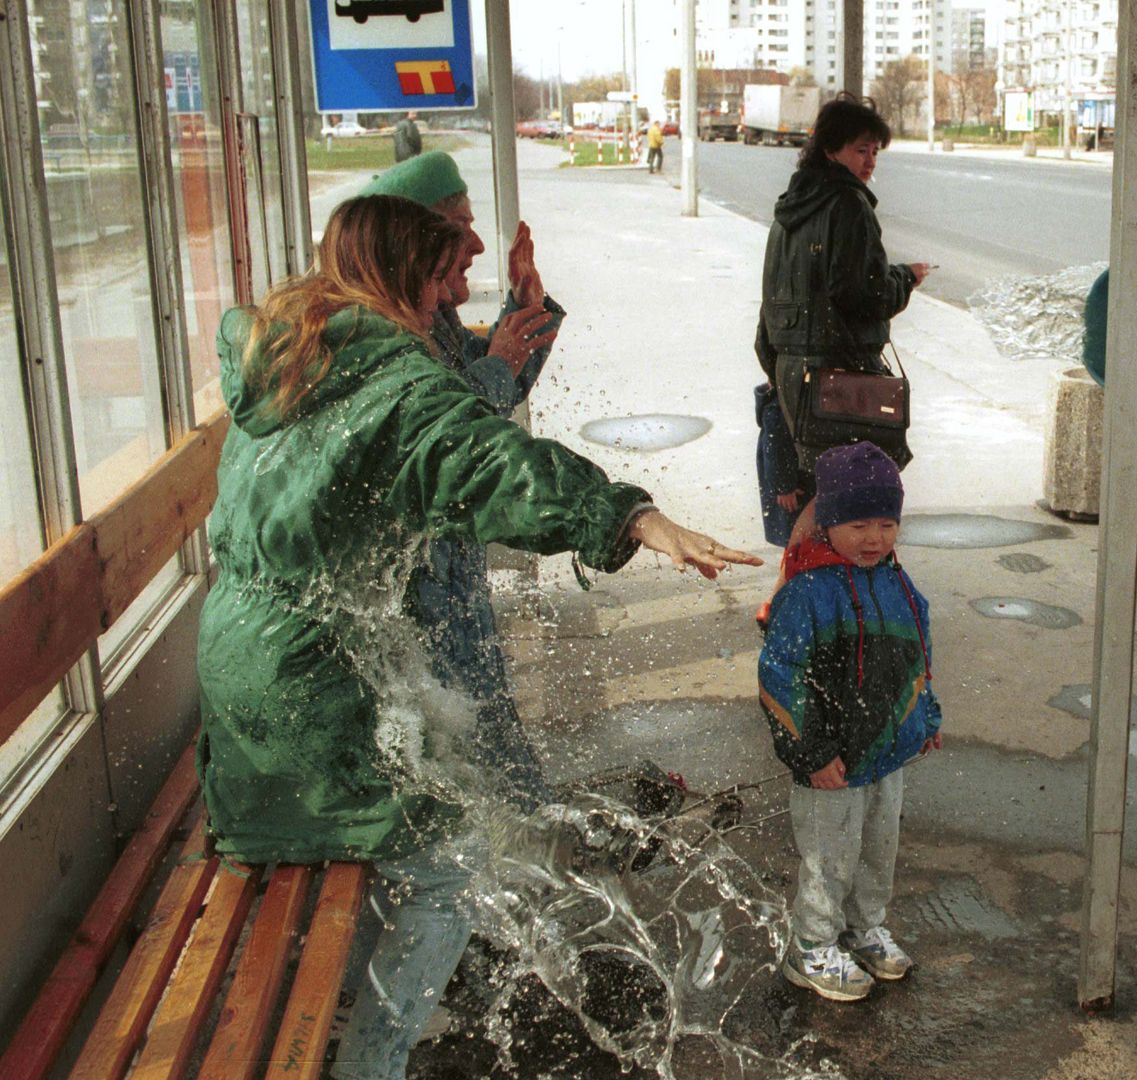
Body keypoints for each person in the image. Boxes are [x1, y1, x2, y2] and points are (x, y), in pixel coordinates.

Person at [197, 194, 760, 1079]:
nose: (447, 301)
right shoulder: (388, 384)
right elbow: (487, 459)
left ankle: (376, 1003)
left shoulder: (297, 353)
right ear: (402, 280)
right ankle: (370, 1064)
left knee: (434, 805)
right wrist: (631, 516)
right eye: (439, 281)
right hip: (306, 688)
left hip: (241, 665)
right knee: (450, 863)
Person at [358, 150, 565, 809]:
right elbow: (446, 441)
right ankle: (517, 839)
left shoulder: (428, 313)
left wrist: (526, 310)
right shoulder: (381, 331)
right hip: (423, 590)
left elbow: (487, 384)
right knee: (463, 739)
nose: (477, 243)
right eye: (461, 226)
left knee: (490, 718)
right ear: (416, 240)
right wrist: (499, 363)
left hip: (453, 571)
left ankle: (530, 834)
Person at [758, 442, 942, 1000]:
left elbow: (919, 660)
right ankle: (812, 947)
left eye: (886, 524)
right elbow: (778, 679)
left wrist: (925, 718)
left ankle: (865, 930)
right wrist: (809, 753)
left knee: (878, 850)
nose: (874, 539)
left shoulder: (899, 584)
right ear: (828, 523)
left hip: (887, 755)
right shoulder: (808, 594)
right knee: (828, 857)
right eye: (859, 524)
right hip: (829, 761)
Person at [754, 95, 932, 593]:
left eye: (875, 151)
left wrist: (779, 369)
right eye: (861, 150)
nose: (870, 161)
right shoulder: (848, 205)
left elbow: (769, 305)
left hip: (795, 372)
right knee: (850, 489)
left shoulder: (789, 212)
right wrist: (906, 278)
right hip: (841, 376)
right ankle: (794, 592)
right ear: (831, 150)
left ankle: (807, 592)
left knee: (827, 487)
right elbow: (863, 293)